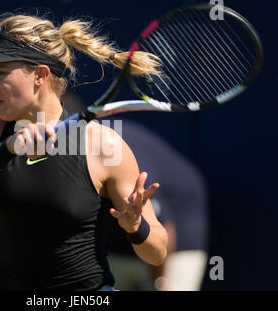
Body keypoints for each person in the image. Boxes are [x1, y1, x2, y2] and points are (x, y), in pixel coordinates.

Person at [0, 13, 168, 291]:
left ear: (40, 75)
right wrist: (5, 150)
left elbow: (157, 251)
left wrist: (135, 226)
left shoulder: (102, 144)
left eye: (0, 72)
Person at [62, 92, 209, 291]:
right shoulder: (52, 155)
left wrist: (160, 283)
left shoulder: (112, 148)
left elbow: (163, 229)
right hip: (118, 243)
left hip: (176, 236)